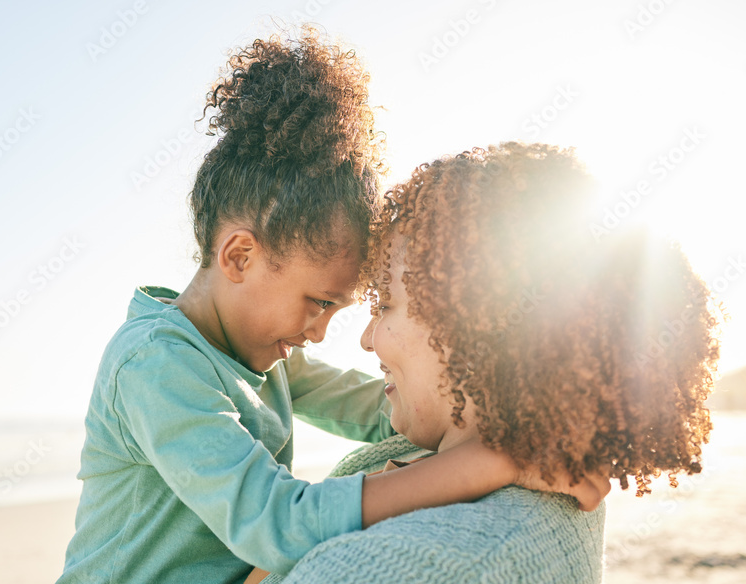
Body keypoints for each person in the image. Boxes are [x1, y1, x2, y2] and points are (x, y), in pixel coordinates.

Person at [55, 32, 607, 584]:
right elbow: (275, 523)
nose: (320, 333)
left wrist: (522, 424)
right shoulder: (155, 366)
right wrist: (494, 463)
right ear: (240, 256)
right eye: (318, 302)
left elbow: (378, 409)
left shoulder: (256, 355)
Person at [259, 142, 720, 583]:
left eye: (385, 306)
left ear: (473, 328)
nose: (364, 339)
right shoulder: (545, 474)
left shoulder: (403, 565)